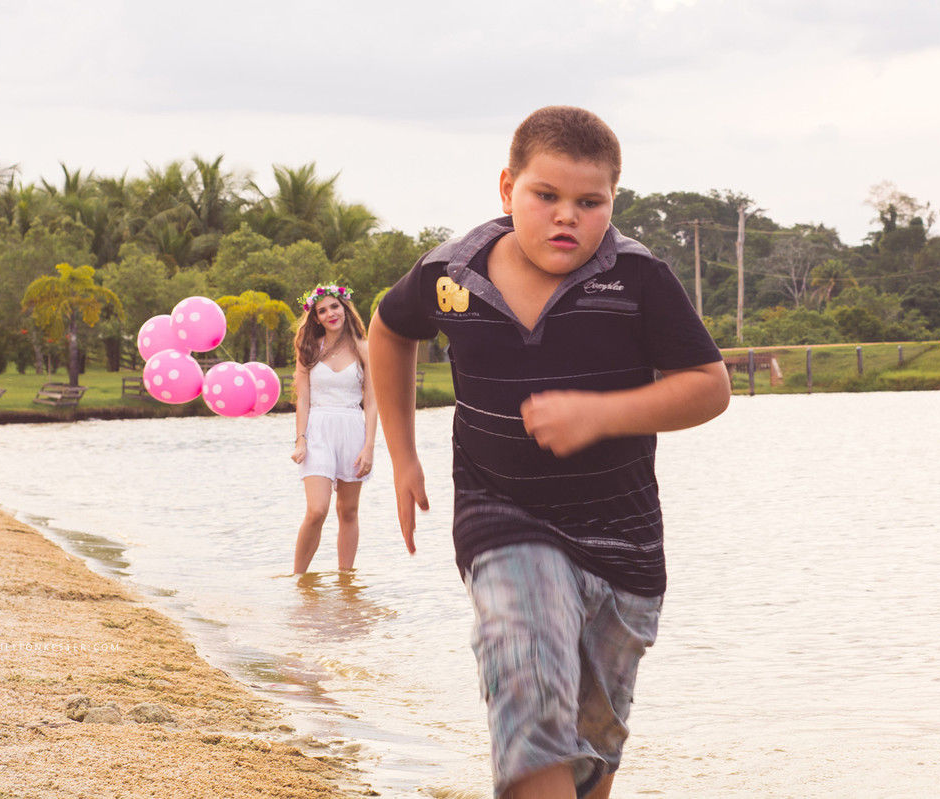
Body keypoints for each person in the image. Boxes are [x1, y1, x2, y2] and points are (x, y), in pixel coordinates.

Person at [369, 106, 731, 799]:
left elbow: (709, 387)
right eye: (546, 195)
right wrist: (402, 455)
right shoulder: (453, 273)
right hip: (502, 516)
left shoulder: (637, 279)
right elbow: (388, 331)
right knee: (526, 672)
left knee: (593, 743)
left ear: (613, 201)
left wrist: (601, 414)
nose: (567, 216)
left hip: (622, 541)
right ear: (508, 188)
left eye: (590, 202)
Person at [291, 284, 377, 574]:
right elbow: (303, 399)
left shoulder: (364, 349)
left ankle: (345, 581)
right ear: (316, 317)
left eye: (334, 306)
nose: (330, 313)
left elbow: (372, 401)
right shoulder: (308, 349)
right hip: (318, 430)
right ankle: (298, 580)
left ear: (345, 308)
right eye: (322, 310)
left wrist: (369, 447)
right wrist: (300, 440)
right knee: (317, 510)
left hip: (352, 429)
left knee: (348, 511)